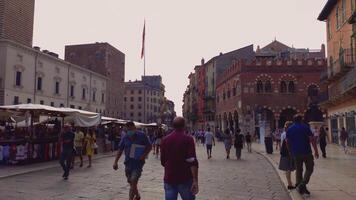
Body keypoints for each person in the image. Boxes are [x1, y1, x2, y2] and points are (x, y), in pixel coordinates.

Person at [161, 117, 199, 200]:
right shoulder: (188, 139)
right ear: (184, 126)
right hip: (185, 178)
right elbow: (192, 160)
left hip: (169, 177)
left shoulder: (165, 140)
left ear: (173, 125)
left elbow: (163, 161)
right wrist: (195, 180)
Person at [113, 122, 152, 200]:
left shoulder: (142, 135)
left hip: (138, 163)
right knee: (131, 182)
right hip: (128, 163)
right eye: (128, 130)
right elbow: (120, 150)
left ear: (134, 128)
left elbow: (149, 146)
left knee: (133, 180)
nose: (130, 131)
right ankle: (137, 195)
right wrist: (115, 162)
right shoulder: (125, 137)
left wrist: (143, 155)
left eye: (131, 129)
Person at [286, 115, 319, 195]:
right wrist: (316, 151)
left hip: (296, 153)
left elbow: (287, 142)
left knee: (299, 169)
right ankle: (303, 184)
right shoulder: (305, 127)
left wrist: (290, 151)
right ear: (301, 120)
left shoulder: (290, 129)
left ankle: (300, 186)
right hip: (306, 152)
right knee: (310, 168)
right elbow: (312, 139)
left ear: (294, 120)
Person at [278, 121, 296, 190]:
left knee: (287, 169)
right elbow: (287, 142)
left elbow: (282, 142)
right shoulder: (289, 133)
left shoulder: (283, 133)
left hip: (284, 152)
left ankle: (290, 183)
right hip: (288, 152)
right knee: (288, 169)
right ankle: (289, 184)